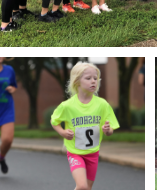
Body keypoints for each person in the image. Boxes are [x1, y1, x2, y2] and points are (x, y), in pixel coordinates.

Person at [51, 62, 119, 190]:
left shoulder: (102, 104)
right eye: (88, 78)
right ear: (77, 81)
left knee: (87, 188)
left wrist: (107, 130)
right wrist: (62, 132)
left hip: (93, 153)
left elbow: (110, 130)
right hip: (75, 153)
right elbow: (54, 121)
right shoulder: (67, 105)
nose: (93, 81)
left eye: (95, 78)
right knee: (82, 186)